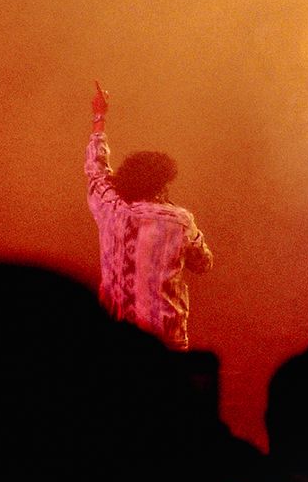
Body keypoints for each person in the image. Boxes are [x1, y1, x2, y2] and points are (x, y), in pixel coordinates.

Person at [84, 81, 212, 349]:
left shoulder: (112, 210)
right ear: (161, 185)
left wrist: (99, 117)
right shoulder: (179, 222)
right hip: (165, 345)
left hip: (117, 342)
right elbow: (203, 263)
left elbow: (96, 170)